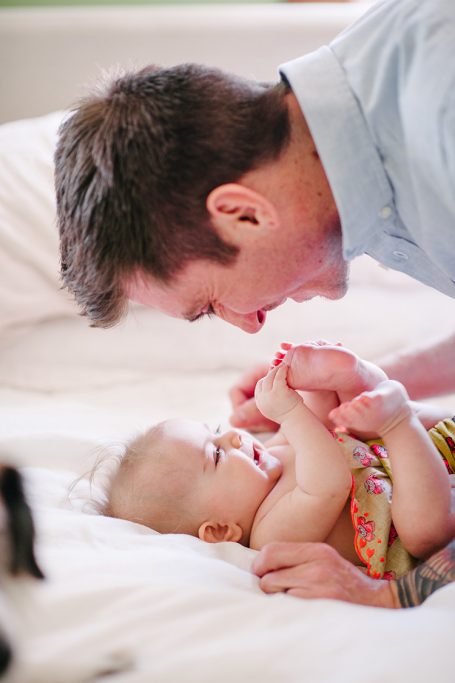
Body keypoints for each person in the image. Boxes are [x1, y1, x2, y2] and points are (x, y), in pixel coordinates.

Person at [54, 0, 455, 603]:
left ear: (243, 213)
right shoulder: (364, 152)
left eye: (212, 303)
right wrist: (374, 385)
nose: (250, 326)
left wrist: (403, 593)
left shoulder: (440, 121)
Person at [103, 343, 455, 581]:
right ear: (220, 530)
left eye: (216, 431)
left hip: (421, 454)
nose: (234, 437)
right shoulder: (271, 534)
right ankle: (397, 418)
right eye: (217, 454)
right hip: (417, 508)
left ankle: (354, 377)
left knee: (349, 419)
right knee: (423, 532)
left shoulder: (271, 456)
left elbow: (319, 422)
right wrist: (288, 412)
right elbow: (330, 483)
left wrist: (312, 387)